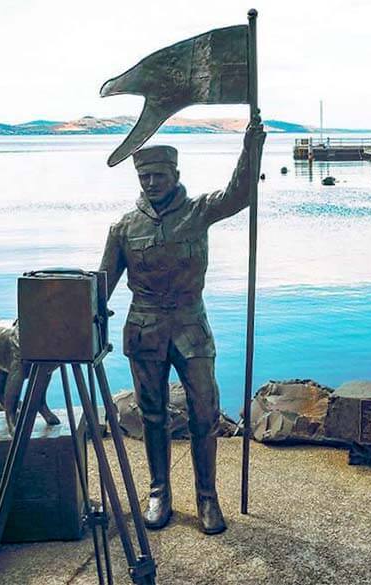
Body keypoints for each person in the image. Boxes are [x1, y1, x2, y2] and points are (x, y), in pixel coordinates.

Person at [99, 117, 266, 534]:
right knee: (152, 414)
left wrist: (252, 147)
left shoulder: (198, 210)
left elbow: (241, 194)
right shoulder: (123, 228)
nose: (151, 182)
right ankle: (159, 493)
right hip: (145, 328)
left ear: (175, 174)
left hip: (192, 327)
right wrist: (60, 310)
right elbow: (99, 287)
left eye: (158, 175)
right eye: (144, 176)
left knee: (205, 414)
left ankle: (207, 498)